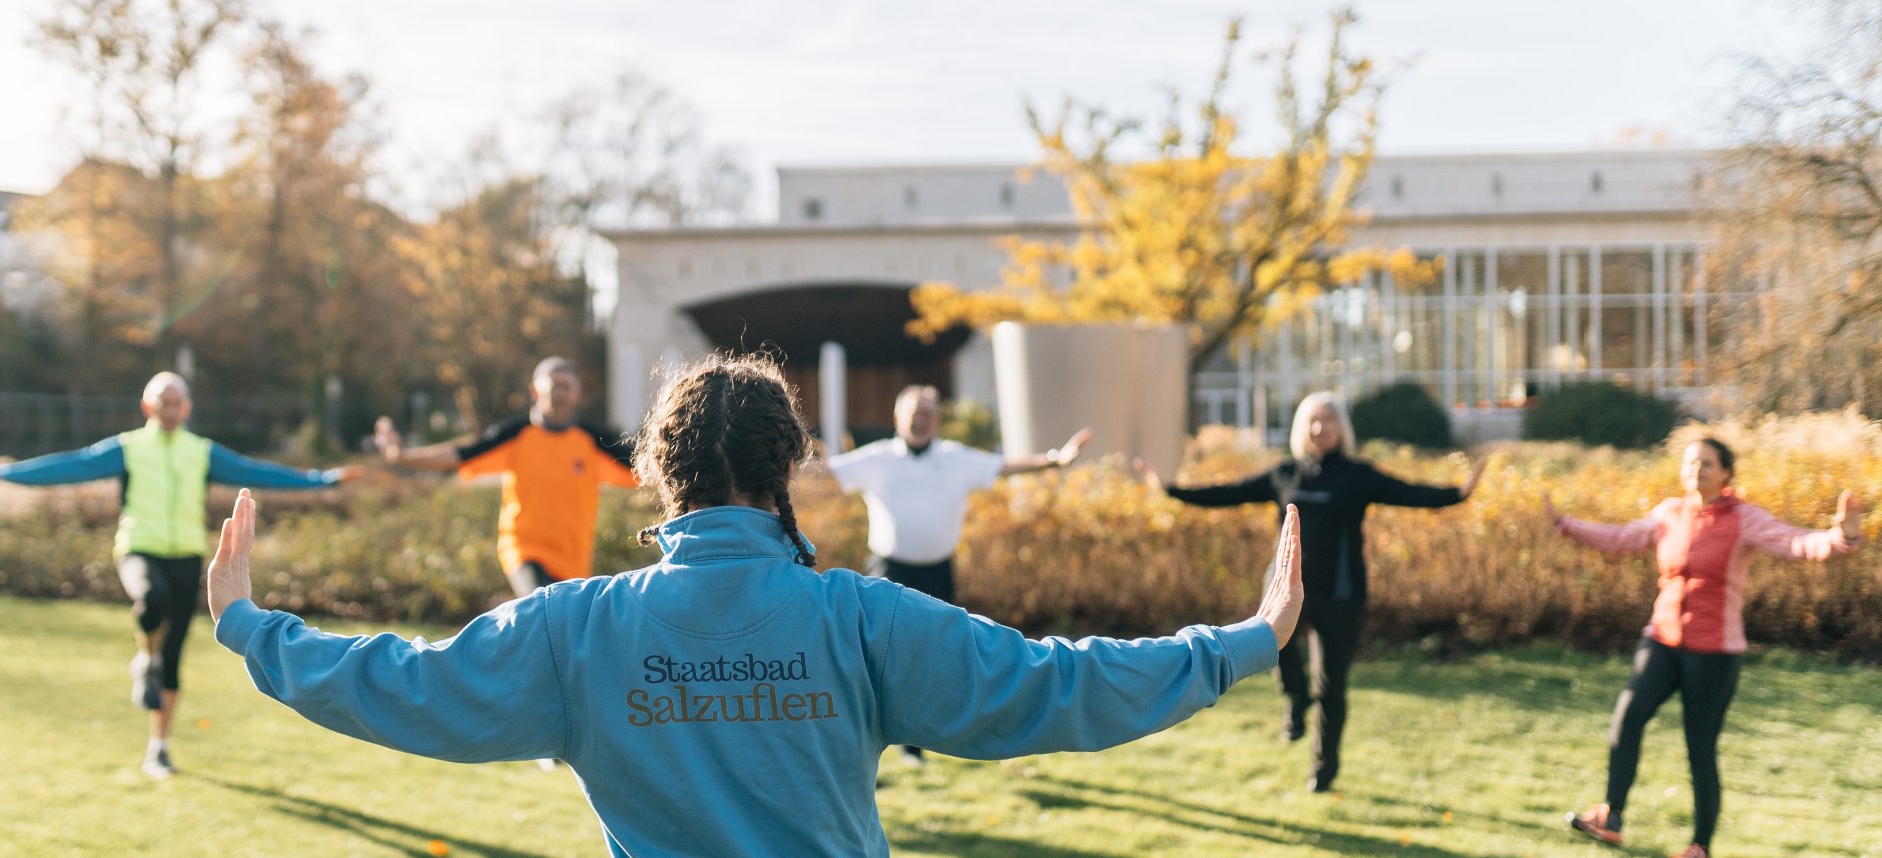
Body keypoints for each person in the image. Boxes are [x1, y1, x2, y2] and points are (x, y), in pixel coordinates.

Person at [209, 354, 1306, 856]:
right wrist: (1239, 643)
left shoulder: (577, 627)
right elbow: (1054, 685)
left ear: (656, 469)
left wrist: (251, 625)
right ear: (788, 462)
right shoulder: (860, 617)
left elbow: (404, 683)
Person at [0, 371, 346, 779]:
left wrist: (322, 479)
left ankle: (158, 747)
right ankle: (145, 656)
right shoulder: (129, 448)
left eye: (177, 403)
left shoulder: (201, 452)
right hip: (138, 548)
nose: (170, 409)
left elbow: (258, 472)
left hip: (187, 557)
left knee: (173, 655)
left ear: (187, 408)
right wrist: (5, 473)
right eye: (163, 402)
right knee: (150, 598)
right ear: (148, 407)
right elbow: (71, 466)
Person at [1134, 389, 1485, 793]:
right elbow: (1226, 493)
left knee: (1332, 686)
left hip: (1342, 594)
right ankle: (1295, 700)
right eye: (1313, 421)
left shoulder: (1358, 476)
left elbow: (1411, 494)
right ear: (1303, 427)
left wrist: (1459, 493)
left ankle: (1324, 770)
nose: (1321, 428)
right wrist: (1170, 489)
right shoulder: (1283, 474)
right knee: (1276, 652)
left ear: (1341, 427)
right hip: (1286, 592)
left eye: (1329, 420)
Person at [1551, 437, 1862, 858]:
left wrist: (1838, 537)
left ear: (1726, 472)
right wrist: (1566, 524)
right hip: (1661, 639)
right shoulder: (1669, 514)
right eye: (1692, 462)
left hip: (1713, 651)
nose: (1698, 469)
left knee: (1699, 749)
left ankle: (1699, 846)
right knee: (1627, 720)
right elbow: (1620, 537)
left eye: (1707, 463)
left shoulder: (1743, 518)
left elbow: (1794, 542)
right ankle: (1611, 817)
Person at [824, 383, 1092, 767]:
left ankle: (918, 739)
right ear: (898, 418)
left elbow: (1006, 466)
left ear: (937, 421)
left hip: (937, 573)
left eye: (928, 414)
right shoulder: (876, 458)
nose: (920, 421)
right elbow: (821, 472)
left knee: (933, 655)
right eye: (914, 413)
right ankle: (866, 736)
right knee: (880, 657)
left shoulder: (955, 459)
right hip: (888, 570)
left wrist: (1057, 460)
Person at [373, 356, 638, 597]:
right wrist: (402, 456)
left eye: (567, 386)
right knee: (541, 605)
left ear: (577, 393)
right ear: (535, 391)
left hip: (574, 561)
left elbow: (643, 468)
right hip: (525, 550)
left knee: (560, 632)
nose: (560, 393)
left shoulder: (592, 440)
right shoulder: (516, 434)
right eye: (553, 385)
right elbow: (461, 454)